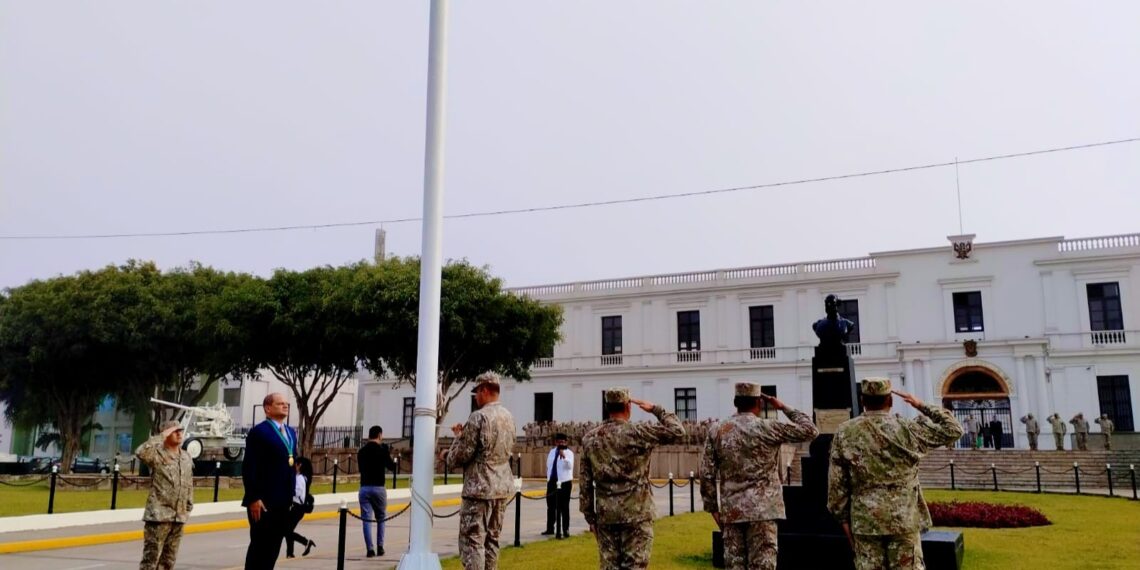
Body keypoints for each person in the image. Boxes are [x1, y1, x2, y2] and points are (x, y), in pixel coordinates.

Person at [828, 378, 964, 570]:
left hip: (865, 519)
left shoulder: (845, 431)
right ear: (890, 401)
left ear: (863, 401)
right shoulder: (908, 428)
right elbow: (954, 429)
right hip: (904, 518)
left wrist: (842, 519)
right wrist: (920, 404)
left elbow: (837, 483)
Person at [700, 382, 819, 570]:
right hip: (764, 511)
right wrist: (781, 406)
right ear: (760, 403)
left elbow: (706, 474)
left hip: (733, 511)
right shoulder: (768, 428)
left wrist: (713, 508)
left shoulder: (717, 430)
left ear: (735, 402)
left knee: (734, 566)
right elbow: (810, 429)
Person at [579, 387, 685, 570]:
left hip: (606, 516)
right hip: (637, 514)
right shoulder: (639, 432)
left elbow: (585, 483)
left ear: (607, 406)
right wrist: (655, 409)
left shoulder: (590, 438)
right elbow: (678, 431)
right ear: (628, 406)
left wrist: (591, 519)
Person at [444, 372, 516, 570]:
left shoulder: (479, 417)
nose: (475, 397)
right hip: (501, 489)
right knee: (492, 540)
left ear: (484, 390)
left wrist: (451, 448)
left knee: (472, 541)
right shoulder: (508, 417)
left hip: (479, 489)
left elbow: (461, 456)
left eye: (476, 392)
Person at [242, 393, 299, 570]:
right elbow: (250, 466)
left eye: (287, 404)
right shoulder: (260, 432)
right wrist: (253, 497)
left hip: (283, 501)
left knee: (273, 549)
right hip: (264, 502)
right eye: (280, 403)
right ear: (268, 408)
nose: (285, 406)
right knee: (260, 549)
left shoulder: (290, 432)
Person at [135, 420, 194, 570]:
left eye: (180, 430)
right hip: (159, 516)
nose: (179, 433)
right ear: (166, 434)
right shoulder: (156, 455)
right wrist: (160, 436)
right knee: (150, 561)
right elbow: (140, 452)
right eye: (174, 431)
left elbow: (188, 482)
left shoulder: (186, 457)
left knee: (168, 561)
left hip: (178, 516)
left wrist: (188, 506)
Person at [358, 425, 398, 557]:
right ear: (380, 435)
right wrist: (387, 453)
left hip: (364, 487)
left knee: (366, 519)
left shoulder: (361, 452)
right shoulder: (382, 450)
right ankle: (380, 546)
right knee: (381, 517)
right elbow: (392, 467)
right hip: (379, 487)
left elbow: (360, 468)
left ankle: (370, 549)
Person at [542, 432, 574, 539]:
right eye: (559, 442)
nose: (561, 444)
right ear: (556, 442)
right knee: (551, 505)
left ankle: (565, 529)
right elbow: (549, 465)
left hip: (564, 482)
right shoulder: (551, 452)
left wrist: (563, 456)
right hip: (552, 481)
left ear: (566, 442)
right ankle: (550, 527)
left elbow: (570, 466)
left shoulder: (569, 453)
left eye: (563, 442)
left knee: (564, 506)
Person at [284, 456, 316, 559]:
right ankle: (290, 553)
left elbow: (297, 492)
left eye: (296, 464)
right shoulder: (299, 477)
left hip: (297, 508)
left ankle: (306, 542)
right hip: (296, 508)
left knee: (286, 530)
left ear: (299, 465)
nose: (294, 466)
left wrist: (288, 490)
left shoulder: (300, 478)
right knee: (288, 530)